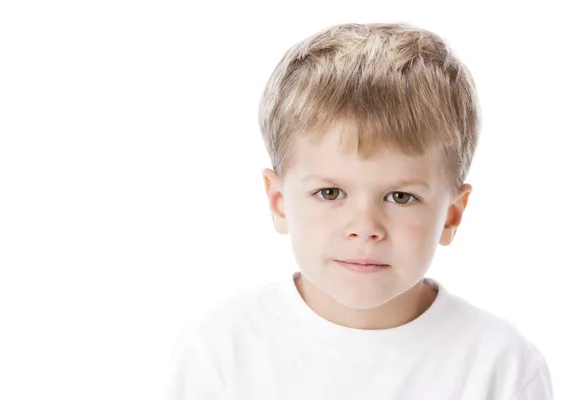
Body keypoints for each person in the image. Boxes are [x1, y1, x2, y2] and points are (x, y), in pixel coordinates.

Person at [166, 22, 553, 399]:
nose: (365, 228)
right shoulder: (219, 353)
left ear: (451, 215)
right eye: (330, 192)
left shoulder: (502, 369)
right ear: (279, 203)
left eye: (400, 197)